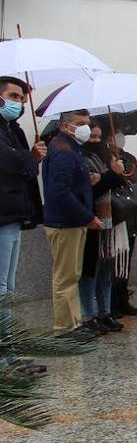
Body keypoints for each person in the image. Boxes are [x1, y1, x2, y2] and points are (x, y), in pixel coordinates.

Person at [43, 111, 100, 337]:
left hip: (72, 221)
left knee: (72, 275)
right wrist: (86, 216)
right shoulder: (63, 151)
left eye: (87, 123)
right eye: (80, 124)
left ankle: (74, 322)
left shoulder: (70, 148)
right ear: (66, 126)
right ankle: (65, 328)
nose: (86, 128)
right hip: (65, 222)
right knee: (65, 277)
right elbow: (60, 192)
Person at [78, 124, 126, 332]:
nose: (96, 141)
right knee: (92, 269)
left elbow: (111, 183)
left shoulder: (108, 157)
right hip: (94, 219)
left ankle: (104, 311)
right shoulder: (83, 158)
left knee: (107, 268)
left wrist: (118, 173)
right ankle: (89, 313)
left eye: (99, 137)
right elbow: (93, 187)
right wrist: (111, 176)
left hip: (111, 220)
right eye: (92, 136)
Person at [0, 76, 44, 298]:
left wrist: (29, 159)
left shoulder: (13, 129)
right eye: (13, 96)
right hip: (4, 212)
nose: (19, 104)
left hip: (16, 211)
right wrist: (30, 157)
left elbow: (28, 170)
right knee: (1, 285)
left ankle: (8, 333)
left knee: (9, 284)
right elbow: (10, 162)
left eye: (23, 100)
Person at [108, 129, 137, 319]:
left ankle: (124, 299)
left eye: (121, 133)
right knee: (115, 263)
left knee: (126, 262)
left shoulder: (129, 158)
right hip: (116, 214)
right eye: (115, 134)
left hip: (131, 214)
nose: (119, 137)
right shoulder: (105, 158)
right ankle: (112, 303)